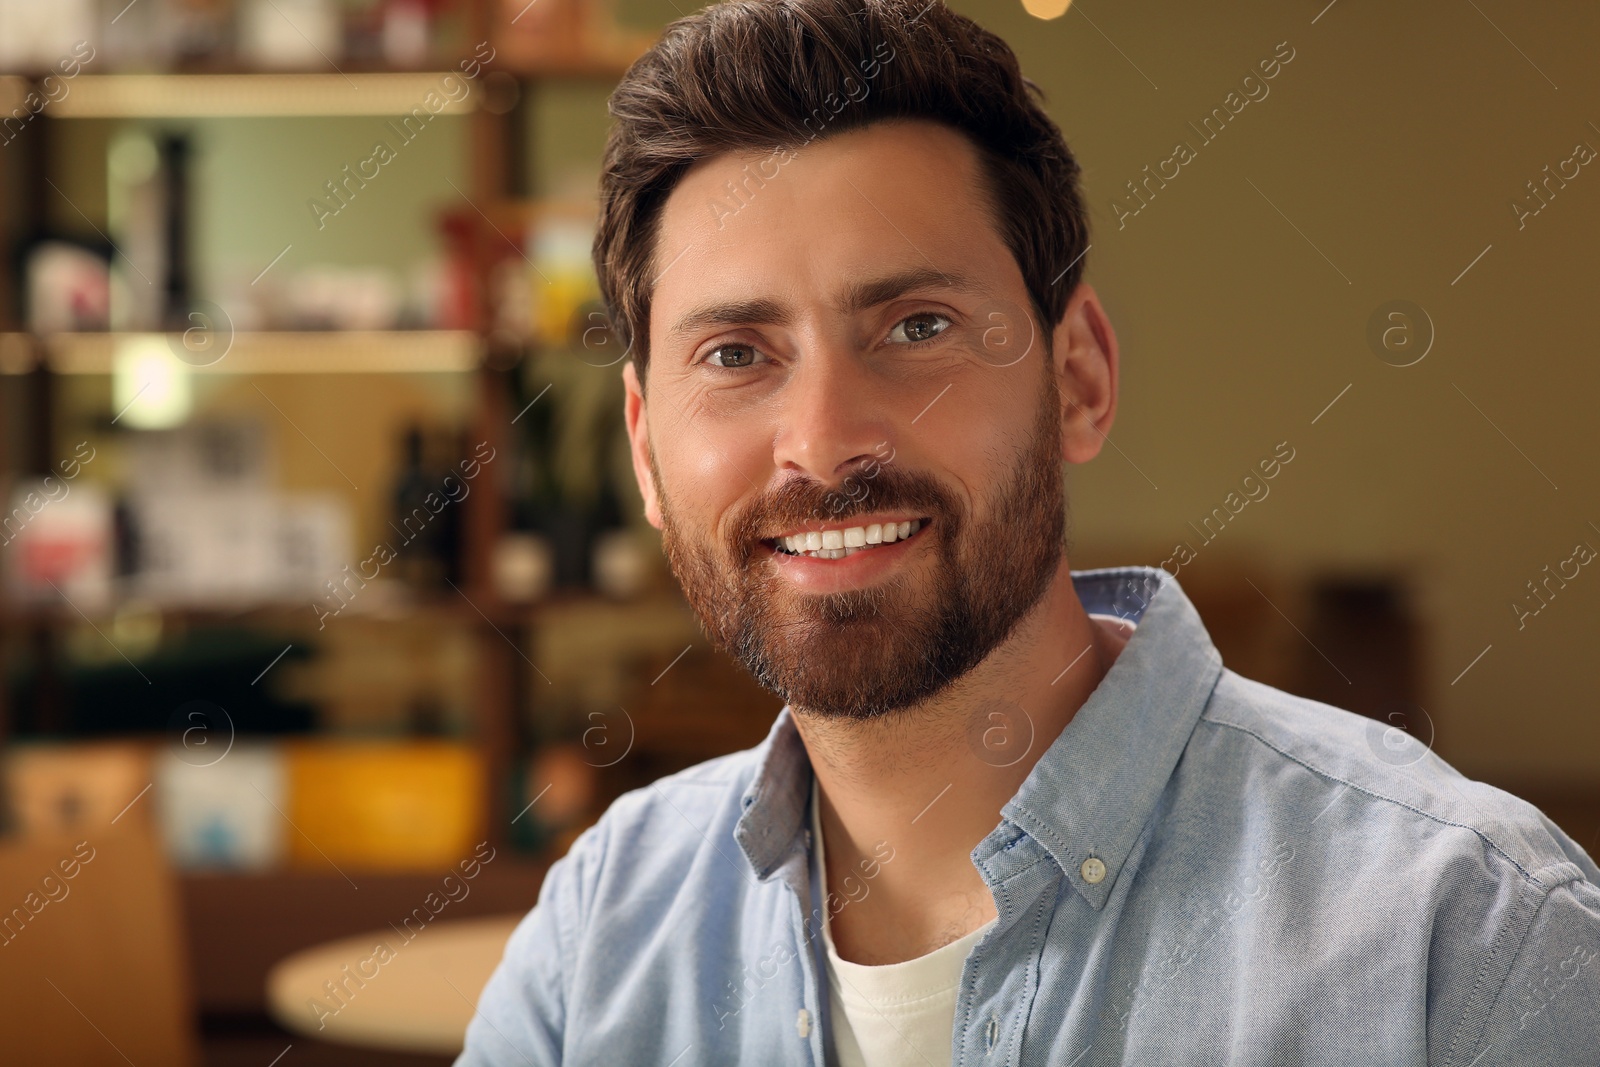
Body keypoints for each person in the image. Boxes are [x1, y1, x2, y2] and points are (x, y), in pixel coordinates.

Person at [457, 1, 1600, 1063]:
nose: (821, 441)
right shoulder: (598, 931)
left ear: (1080, 378)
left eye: (916, 325)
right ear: (647, 449)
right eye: (735, 354)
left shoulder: (1468, 937)